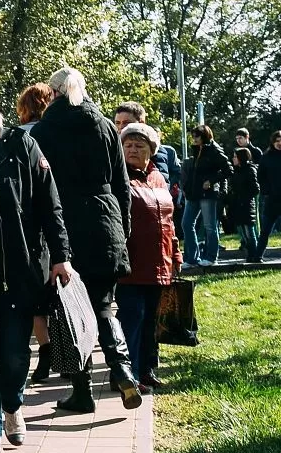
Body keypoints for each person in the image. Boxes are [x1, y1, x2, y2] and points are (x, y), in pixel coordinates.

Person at [0, 90, 72, 453]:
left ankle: (12, 404)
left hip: (16, 271)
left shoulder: (20, 145)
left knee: (12, 353)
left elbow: (49, 203)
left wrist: (61, 256)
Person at [32, 66, 141, 413]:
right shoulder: (106, 126)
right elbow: (122, 184)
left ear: (53, 94)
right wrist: (123, 229)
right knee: (105, 306)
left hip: (64, 227)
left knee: (71, 312)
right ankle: (123, 371)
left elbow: (39, 190)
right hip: (106, 223)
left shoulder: (43, 131)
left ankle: (82, 391)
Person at [116, 123, 181, 394]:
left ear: (151, 151)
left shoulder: (157, 178)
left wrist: (175, 253)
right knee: (133, 318)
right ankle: (126, 375)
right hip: (131, 262)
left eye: (139, 145)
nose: (132, 150)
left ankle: (147, 370)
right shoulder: (117, 177)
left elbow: (169, 221)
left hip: (160, 261)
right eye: (128, 145)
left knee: (152, 321)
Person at [17, 83, 60, 385]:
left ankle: (45, 349)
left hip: (31, 227)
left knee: (37, 299)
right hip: (59, 218)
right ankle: (65, 351)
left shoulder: (20, 137)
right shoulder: (57, 133)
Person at [179, 124, 232, 269]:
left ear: (204, 136)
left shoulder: (215, 150)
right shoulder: (197, 150)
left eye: (197, 136)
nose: (194, 139)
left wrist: (212, 181)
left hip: (208, 193)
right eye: (193, 136)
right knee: (186, 223)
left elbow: (228, 169)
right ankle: (192, 258)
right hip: (194, 192)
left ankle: (211, 257)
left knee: (210, 226)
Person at [229, 148, 261, 261]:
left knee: (249, 231)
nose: (233, 159)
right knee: (243, 231)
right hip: (238, 204)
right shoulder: (236, 170)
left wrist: (244, 196)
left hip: (247, 204)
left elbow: (255, 188)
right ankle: (250, 253)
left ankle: (254, 254)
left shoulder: (250, 170)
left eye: (235, 156)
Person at [257, 130, 281, 261]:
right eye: (277, 141)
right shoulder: (267, 157)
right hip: (272, 198)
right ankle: (258, 255)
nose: (279, 143)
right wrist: (266, 190)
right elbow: (260, 176)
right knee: (265, 230)